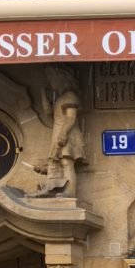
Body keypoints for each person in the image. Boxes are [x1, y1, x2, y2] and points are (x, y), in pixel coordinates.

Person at [36, 65, 85, 197]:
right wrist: (43, 91)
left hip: (68, 133)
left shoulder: (70, 96)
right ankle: (51, 188)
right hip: (58, 132)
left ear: (62, 78)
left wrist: (64, 133)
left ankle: (70, 191)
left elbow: (71, 117)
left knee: (66, 162)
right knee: (54, 161)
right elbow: (48, 111)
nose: (51, 82)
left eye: (52, 78)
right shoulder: (60, 97)